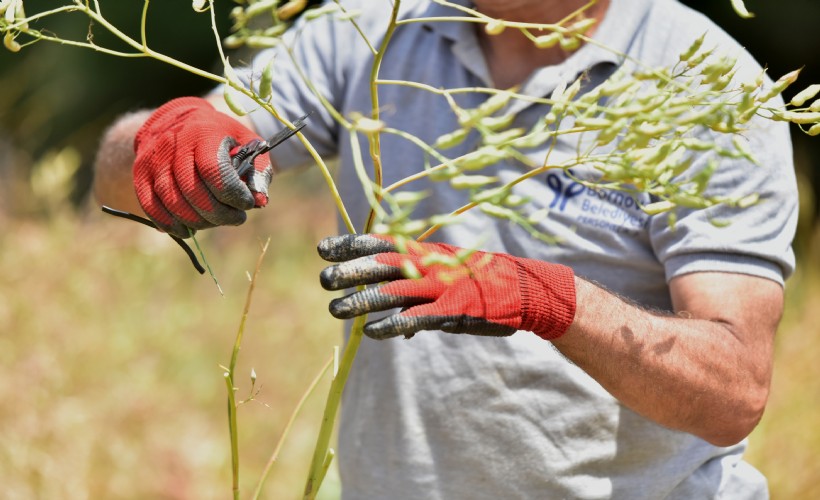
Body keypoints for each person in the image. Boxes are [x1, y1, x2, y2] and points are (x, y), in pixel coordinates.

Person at [93, 0, 798, 498]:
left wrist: (546, 301)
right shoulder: (377, 27)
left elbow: (732, 392)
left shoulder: (708, 93)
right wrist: (164, 138)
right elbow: (122, 182)